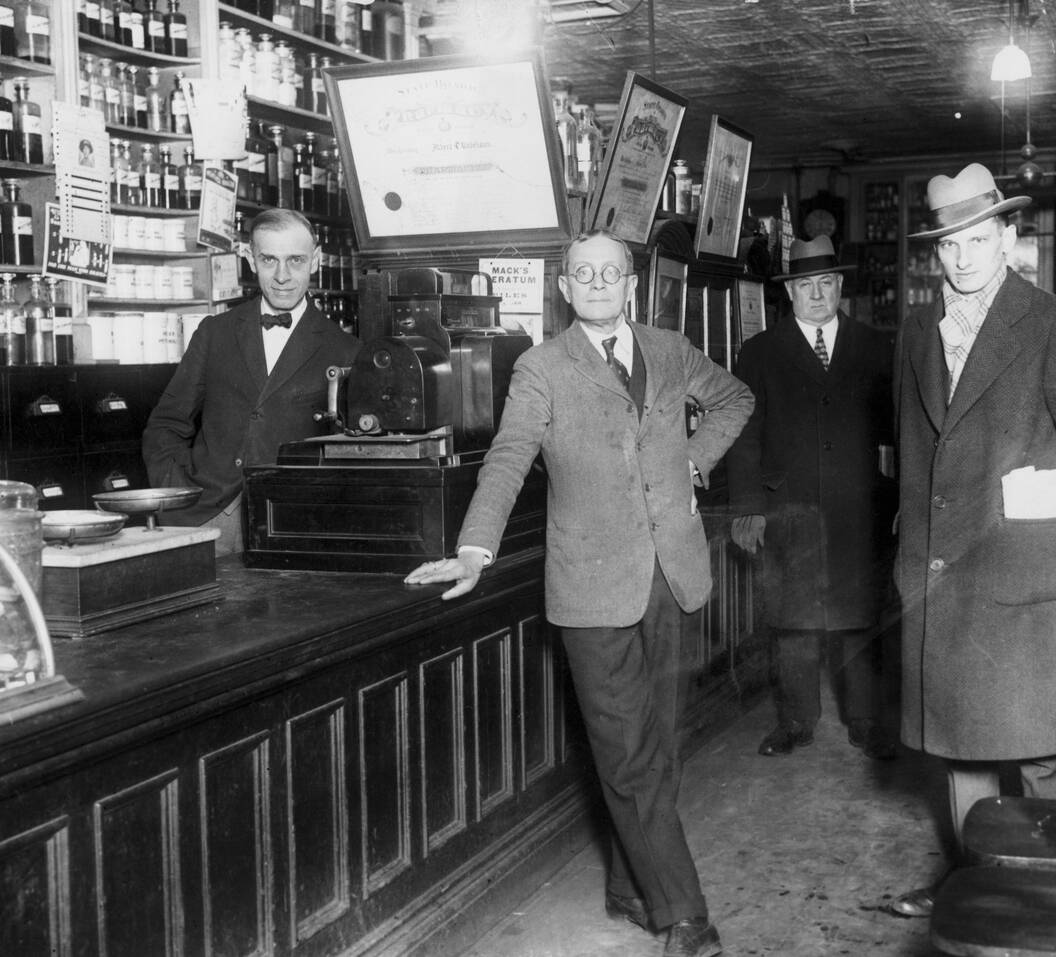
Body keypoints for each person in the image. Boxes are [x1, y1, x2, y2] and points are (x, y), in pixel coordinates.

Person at [404, 228, 753, 957]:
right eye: (582, 272)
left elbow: (735, 398)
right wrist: (475, 546)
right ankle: (684, 913)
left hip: (672, 573)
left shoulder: (669, 347)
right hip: (590, 586)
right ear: (564, 289)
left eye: (611, 271)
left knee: (659, 746)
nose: (597, 282)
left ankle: (630, 888)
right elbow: (506, 459)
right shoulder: (540, 368)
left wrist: (692, 462)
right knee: (627, 754)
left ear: (633, 285)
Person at [890, 162, 1056, 917]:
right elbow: (910, 447)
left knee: (1039, 750)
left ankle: (1044, 898)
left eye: (977, 240)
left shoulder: (1044, 320)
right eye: (947, 246)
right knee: (961, 747)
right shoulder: (918, 330)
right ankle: (979, 890)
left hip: (1020, 573)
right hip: (938, 570)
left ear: (1008, 237)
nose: (960, 259)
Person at [726, 236, 898, 761]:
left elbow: (896, 430)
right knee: (792, 621)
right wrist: (748, 507)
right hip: (788, 509)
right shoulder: (759, 353)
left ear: (840, 287)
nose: (817, 294)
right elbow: (745, 436)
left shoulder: (874, 345)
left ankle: (866, 721)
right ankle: (796, 722)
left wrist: (898, 503)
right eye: (806, 285)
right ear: (790, 293)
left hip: (859, 509)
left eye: (826, 283)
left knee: (860, 618)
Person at [143, 208, 360, 554]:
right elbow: (166, 424)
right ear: (250, 259)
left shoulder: (346, 350)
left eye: (296, 260)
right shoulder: (215, 333)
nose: (283, 276)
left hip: (292, 525)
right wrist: (178, 492)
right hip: (205, 516)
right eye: (269, 259)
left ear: (316, 261)